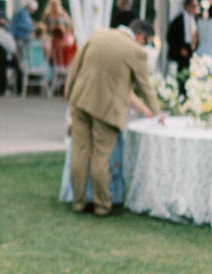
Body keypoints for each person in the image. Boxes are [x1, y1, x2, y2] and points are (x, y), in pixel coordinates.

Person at [65, 19, 160, 217]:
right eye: (147, 41)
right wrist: (157, 112)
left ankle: (78, 201)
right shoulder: (136, 51)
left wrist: (69, 92)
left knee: (80, 152)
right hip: (106, 110)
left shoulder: (97, 34)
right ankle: (102, 204)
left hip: (80, 100)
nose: (146, 46)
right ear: (140, 36)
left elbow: (75, 66)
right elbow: (145, 87)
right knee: (100, 157)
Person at [166, 0, 199, 74]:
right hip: (182, 50)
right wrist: (180, 49)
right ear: (187, 6)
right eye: (194, 6)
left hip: (192, 49)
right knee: (182, 72)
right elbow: (170, 37)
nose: (195, 9)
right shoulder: (178, 20)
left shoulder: (196, 19)